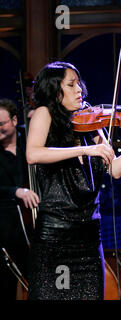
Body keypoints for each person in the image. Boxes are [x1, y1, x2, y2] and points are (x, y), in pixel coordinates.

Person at [25, 61, 121, 300]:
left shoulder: (90, 123)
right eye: (71, 84)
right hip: (55, 235)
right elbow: (33, 154)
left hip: (89, 237)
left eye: (79, 84)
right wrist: (84, 151)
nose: (80, 90)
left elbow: (115, 169)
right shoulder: (44, 114)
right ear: (55, 90)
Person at [0, 98, 39, 300]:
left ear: (15, 120)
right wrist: (15, 191)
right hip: (5, 231)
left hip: (33, 229)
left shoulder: (31, 142)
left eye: (1, 124)